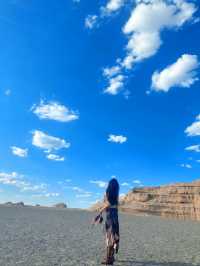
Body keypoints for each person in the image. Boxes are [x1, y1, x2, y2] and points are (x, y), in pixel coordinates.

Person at [93, 178, 120, 265]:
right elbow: (114, 206)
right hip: (115, 217)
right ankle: (111, 257)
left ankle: (108, 259)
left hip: (109, 217)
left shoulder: (108, 192)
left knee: (109, 237)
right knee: (113, 235)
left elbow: (108, 204)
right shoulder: (116, 194)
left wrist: (100, 211)